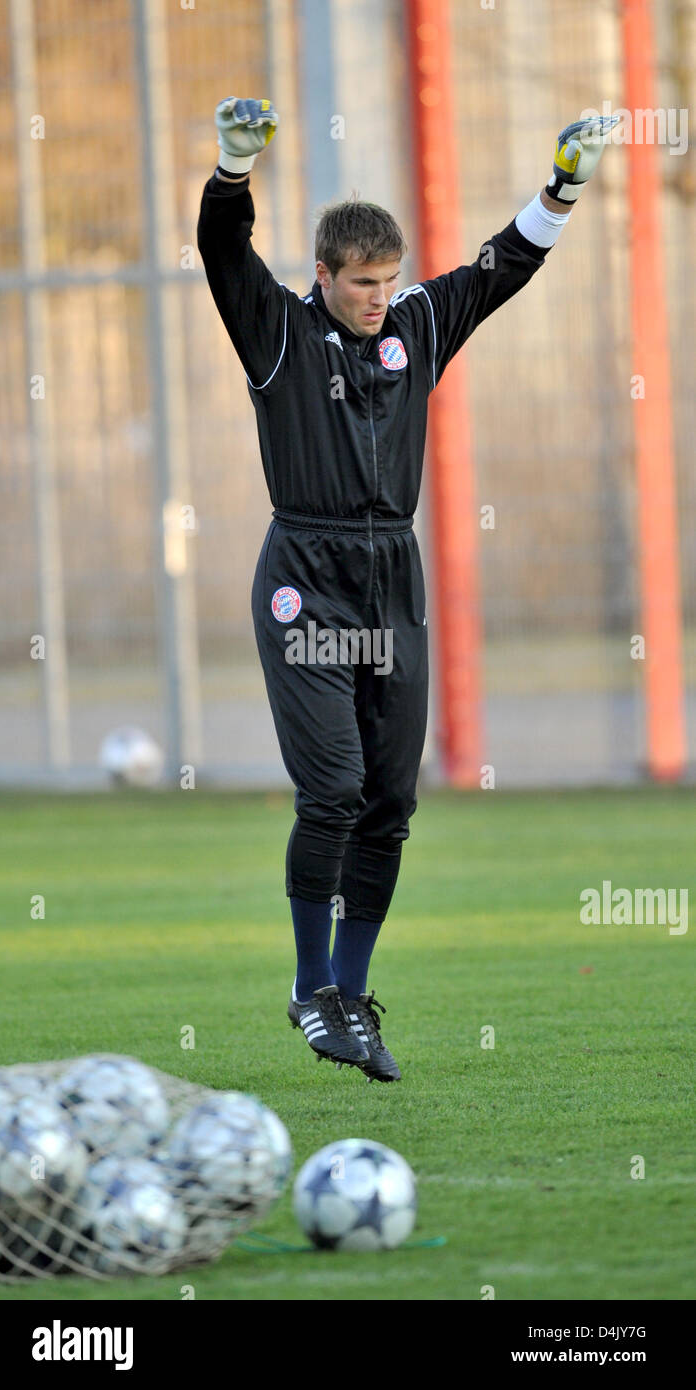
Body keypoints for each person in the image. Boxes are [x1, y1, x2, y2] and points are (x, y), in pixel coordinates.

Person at [198, 97, 617, 1083]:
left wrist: (561, 188)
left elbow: (496, 269)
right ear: (324, 279)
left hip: (392, 580)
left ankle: (349, 994)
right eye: (362, 283)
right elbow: (224, 251)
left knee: (388, 801)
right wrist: (230, 170)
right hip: (306, 579)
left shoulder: (416, 327)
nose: (381, 296)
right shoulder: (280, 336)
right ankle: (308, 989)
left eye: (389, 280)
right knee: (333, 789)